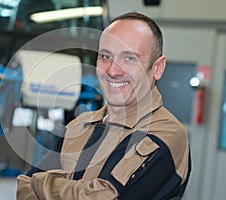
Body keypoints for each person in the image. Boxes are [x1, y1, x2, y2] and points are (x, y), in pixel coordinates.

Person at [16, 12, 191, 200]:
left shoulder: (166, 134)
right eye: (106, 57)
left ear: (157, 68)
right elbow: (24, 185)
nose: (113, 71)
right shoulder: (79, 126)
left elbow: (102, 197)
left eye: (129, 58)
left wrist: (41, 183)